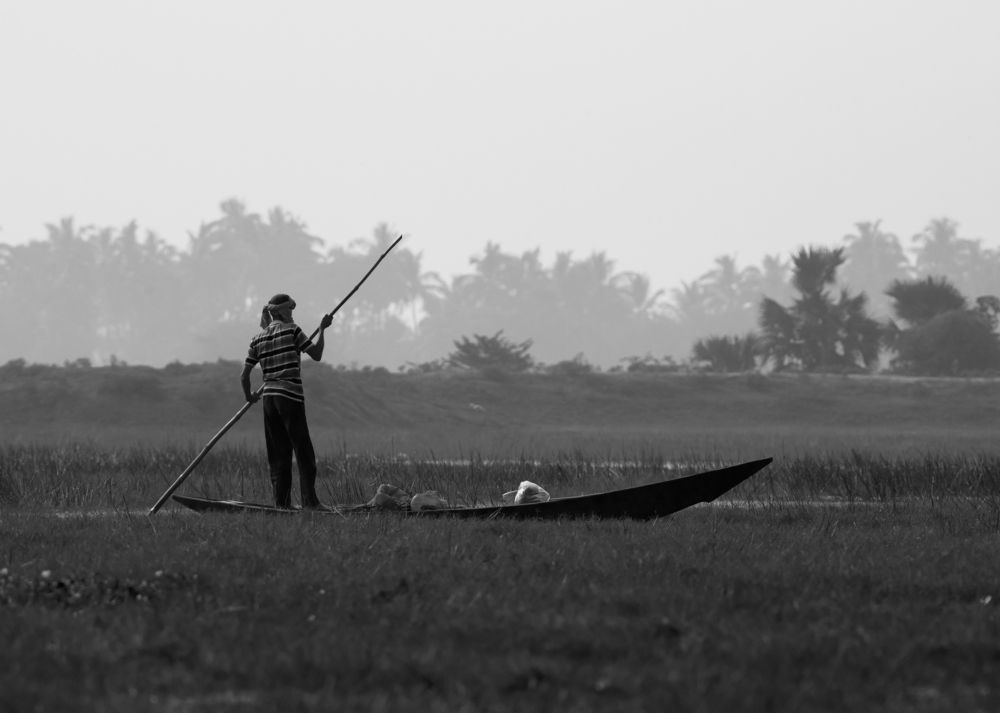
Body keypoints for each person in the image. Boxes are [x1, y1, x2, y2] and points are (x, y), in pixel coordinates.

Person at [241, 294, 333, 509]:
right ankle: (310, 502)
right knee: (303, 451)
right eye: (290, 310)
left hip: (269, 400)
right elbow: (317, 354)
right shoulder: (292, 331)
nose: (292, 314)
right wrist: (322, 329)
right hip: (289, 397)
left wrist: (250, 396)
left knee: (279, 453)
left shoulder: (258, 338)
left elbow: (244, 376)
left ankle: (281, 505)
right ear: (281, 311)